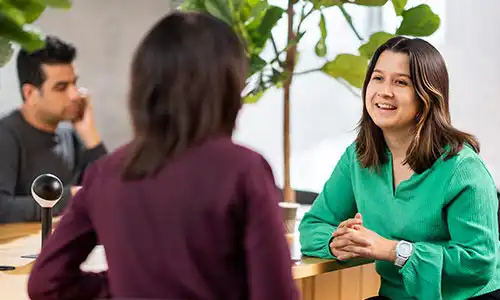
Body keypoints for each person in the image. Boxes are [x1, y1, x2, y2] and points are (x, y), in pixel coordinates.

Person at [27, 12, 299, 300]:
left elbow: (47, 282)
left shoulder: (105, 173)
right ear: (227, 87)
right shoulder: (243, 170)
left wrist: (121, 286)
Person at [299, 36, 500, 300]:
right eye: (378, 78)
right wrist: (336, 241)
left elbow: (478, 262)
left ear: (426, 97)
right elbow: (313, 225)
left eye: (401, 82)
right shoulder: (358, 157)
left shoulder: (463, 168)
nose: (384, 91)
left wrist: (394, 250)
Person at [0, 36, 107, 223]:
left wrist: (90, 134)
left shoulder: (71, 134)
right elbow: (3, 208)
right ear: (30, 93)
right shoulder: (6, 136)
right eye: (61, 87)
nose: (75, 95)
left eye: (74, 83)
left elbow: (110, 191)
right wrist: (71, 197)